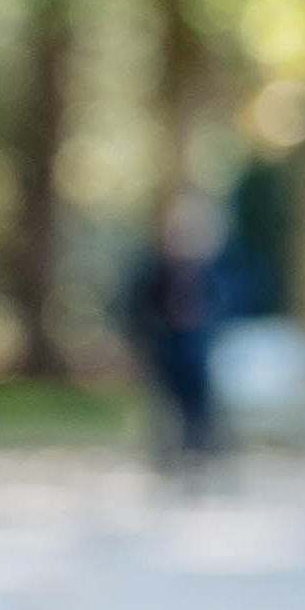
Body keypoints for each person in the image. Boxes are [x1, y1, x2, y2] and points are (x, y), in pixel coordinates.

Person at [119, 186, 229, 470]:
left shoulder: (207, 270)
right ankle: (170, 459)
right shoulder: (152, 269)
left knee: (200, 405)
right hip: (164, 347)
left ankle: (202, 454)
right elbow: (136, 308)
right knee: (165, 407)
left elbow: (221, 306)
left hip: (197, 348)